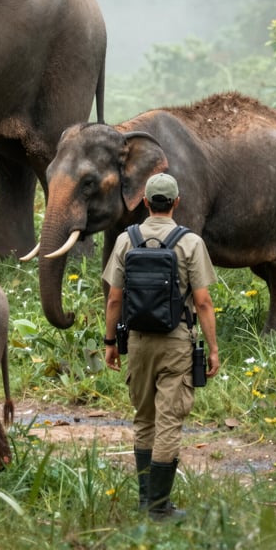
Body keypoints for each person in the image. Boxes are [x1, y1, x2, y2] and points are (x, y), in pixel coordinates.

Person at [102, 173, 219, 520]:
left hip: (137, 343)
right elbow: (203, 302)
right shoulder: (190, 243)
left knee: (144, 419)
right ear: (176, 203)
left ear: (146, 202)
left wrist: (110, 342)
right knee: (169, 422)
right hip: (176, 342)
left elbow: (113, 299)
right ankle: (158, 507)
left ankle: (144, 501)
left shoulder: (128, 239)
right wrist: (212, 348)